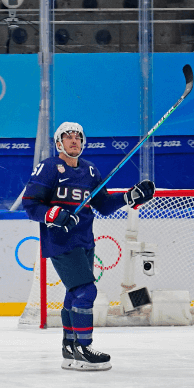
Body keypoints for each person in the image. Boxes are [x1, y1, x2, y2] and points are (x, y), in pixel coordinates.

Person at [22, 122, 154, 370]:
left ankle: (70, 348)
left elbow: (102, 204)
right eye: (68, 137)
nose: (74, 140)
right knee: (86, 292)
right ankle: (84, 348)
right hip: (60, 241)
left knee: (74, 294)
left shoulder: (90, 171)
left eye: (78, 137)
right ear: (58, 142)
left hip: (84, 239)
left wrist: (129, 197)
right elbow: (30, 205)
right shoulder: (50, 168)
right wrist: (54, 215)